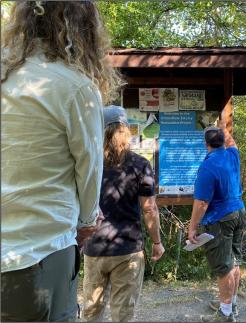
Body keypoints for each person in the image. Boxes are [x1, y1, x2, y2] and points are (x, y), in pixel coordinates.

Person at [1, 2, 122, 321]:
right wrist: (86, 222)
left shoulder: (5, 76)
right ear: (82, 27)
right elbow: (90, 171)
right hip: (42, 251)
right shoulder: (76, 86)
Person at [82, 106, 165, 322]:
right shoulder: (140, 164)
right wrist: (157, 242)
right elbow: (149, 208)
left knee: (91, 311)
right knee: (123, 315)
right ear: (127, 131)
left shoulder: (90, 163)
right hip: (127, 249)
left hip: (94, 246)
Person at [188, 121, 246, 322]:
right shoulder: (232, 155)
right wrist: (223, 127)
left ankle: (225, 313)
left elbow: (202, 202)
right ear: (223, 140)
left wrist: (192, 228)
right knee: (234, 261)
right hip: (239, 212)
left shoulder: (208, 165)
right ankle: (231, 303)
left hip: (221, 219)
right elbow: (233, 143)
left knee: (224, 267)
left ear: (206, 144)